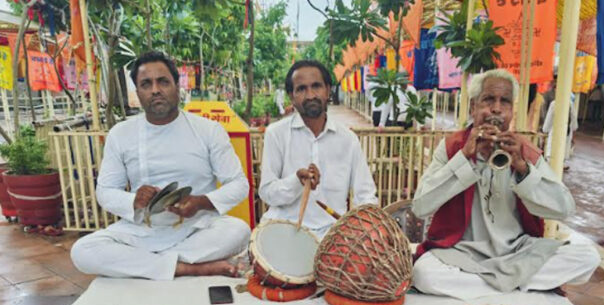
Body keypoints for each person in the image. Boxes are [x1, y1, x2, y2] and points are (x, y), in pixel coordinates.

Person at [411, 69, 600, 301]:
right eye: (488, 100)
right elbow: (420, 206)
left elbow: (564, 209)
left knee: (587, 257)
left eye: (505, 102)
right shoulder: (452, 147)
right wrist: (464, 159)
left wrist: (523, 170)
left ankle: (485, 288)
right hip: (462, 251)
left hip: (516, 251)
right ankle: (512, 288)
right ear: (473, 107)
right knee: (423, 274)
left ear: (512, 111)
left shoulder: (524, 151)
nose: (496, 109)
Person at [70, 51, 251, 280]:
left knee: (239, 231)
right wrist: (133, 200)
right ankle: (189, 268)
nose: (155, 90)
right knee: (82, 251)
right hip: (142, 231)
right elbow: (104, 191)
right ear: (138, 92)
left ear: (177, 86)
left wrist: (201, 202)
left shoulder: (208, 130)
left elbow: (238, 184)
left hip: (196, 228)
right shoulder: (121, 134)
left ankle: (149, 264)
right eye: (146, 84)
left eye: (163, 81)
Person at [259, 60, 378, 238]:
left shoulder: (348, 139)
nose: (310, 95)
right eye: (301, 89)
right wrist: (296, 182)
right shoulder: (276, 134)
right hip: (284, 228)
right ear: (291, 96)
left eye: (316, 86)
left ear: (328, 90)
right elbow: (267, 194)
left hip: (333, 234)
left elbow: (366, 195)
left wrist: (364, 229)